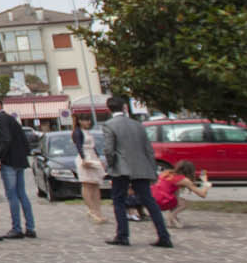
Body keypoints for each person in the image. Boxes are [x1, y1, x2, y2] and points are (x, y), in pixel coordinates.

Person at [101, 95, 171, 248]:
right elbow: (148, 149)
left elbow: (109, 149)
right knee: (149, 201)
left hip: (121, 168)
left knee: (119, 201)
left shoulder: (109, 125)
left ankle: (122, 235)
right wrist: (152, 169)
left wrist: (110, 166)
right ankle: (164, 235)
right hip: (141, 167)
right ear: (124, 107)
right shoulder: (137, 125)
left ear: (108, 109)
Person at [0, 99, 36, 240]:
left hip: (9, 161)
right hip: (19, 160)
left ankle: (17, 228)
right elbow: (23, 140)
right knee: (22, 194)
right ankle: (30, 227)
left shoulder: (1, 119)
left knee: (12, 195)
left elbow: (6, 139)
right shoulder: (11, 119)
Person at [151, 159, 211, 229]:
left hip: (153, 199)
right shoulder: (183, 180)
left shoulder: (167, 173)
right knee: (184, 203)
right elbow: (202, 194)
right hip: (161, 201)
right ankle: (171, 216)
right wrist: (206, 182)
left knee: (175, 197)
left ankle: (171, 221)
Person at [73, 118, 109, 225]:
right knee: (87, 184)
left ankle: (98, 210)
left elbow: (93, 147)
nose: (88, 122)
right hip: (85, 156)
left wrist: (99, 158)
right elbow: (79, 146)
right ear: (80, 121)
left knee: (95, 184)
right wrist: (83, 158)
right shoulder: (77, 132)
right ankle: (91, 210)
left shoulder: (87, 132)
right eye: (86, 120)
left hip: (92, 156)